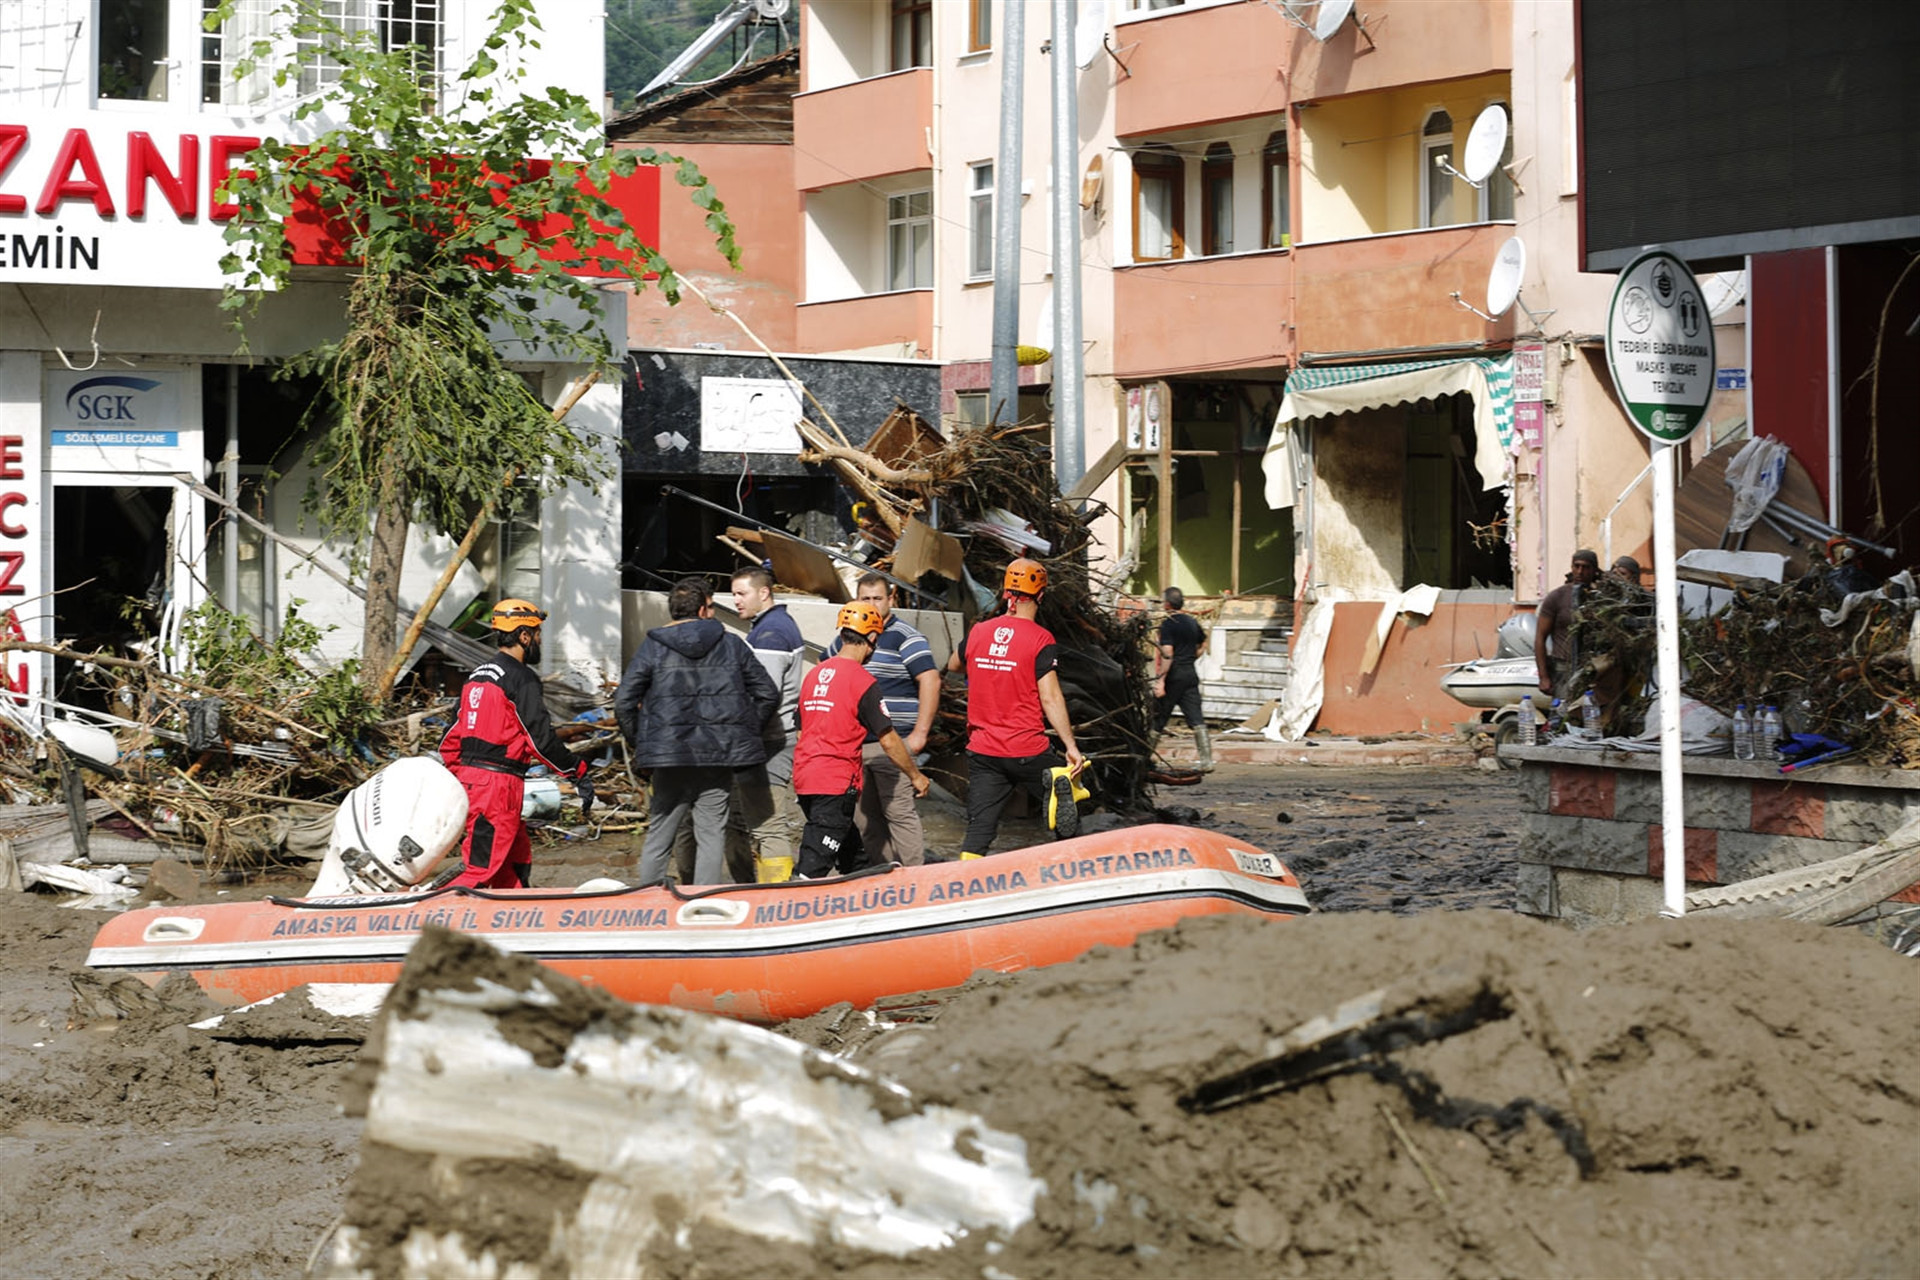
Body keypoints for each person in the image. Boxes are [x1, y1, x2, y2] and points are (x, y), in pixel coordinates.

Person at [616, 577, 777, 887]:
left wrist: (643, 744)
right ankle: (700, 904)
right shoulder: (730, 643)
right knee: (711, 833)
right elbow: (767, 693)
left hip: (668, 758)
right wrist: (741, 734)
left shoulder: (653, 646)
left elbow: (624, 701)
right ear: (704, 608)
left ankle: (644, 905)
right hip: (716, 757)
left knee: (660, 834)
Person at [439, 599, 592, 889]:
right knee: (479, 870)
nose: (538, 642)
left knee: (515, 863)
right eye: (537, 635)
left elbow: (449, 739)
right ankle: (430, 925)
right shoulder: (521, 678)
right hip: (498, 786)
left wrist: (469, 778)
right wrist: (577, 771)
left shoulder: (477, 676)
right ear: (524, 636)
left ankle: (512, 918)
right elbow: (541, 741)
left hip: (478, 781)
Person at [947, 558, 1087, 859]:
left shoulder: (980, 631)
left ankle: (965, 885)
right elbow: (1050, 697)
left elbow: (953, 665)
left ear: (1006, 592)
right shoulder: (1040, 639)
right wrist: (1070, 745)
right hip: (1027, 749)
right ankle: (1077, 866)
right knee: (1066, 816)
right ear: (1041, 595)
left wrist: (986, 661)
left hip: (983, 751)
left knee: (980, 828)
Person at [793, 602, 931, 879]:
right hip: (834, 784)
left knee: (853, 857)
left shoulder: (814, 675)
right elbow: (889, 741)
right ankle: (781, 912)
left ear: (842, 634)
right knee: (814, 864)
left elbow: (800, 729)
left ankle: (862, 899)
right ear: (872, 638)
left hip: (805, 778)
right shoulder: (862, 681)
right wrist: (915, 776)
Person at [824, 572, 940, 866]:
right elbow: (827, 671)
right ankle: (885, 875)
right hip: (855, 746)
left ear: (891, 599)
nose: (873, 604)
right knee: (865, 818)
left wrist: (919, 733)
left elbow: (930, 679)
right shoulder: (847, 638)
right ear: (856, 600)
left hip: (893, 742)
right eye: (866, 599)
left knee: (899, 813)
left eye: (878, 598)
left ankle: (915, 878)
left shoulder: (906, 636)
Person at [729, 566, 805, 881]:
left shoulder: (771, 635)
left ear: (764, 593)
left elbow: (764, 697)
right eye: (733, 594)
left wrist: (739, 740)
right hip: (772, 739)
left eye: (741, 594)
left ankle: (775, 902)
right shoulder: (773, 625)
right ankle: (751, 891)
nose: (735, 601)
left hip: (769, 743)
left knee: (768, 825)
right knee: (740, 820)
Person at [1152, 587, 1212, 772]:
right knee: (1196, 720)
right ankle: (1207, 761)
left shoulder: (1169, 624)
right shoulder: (1192, 622)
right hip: (1190, 674)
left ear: (1167, 604)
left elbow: (1168, 654)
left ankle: (1142, 758)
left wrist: (1161, 681)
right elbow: (1203, 643)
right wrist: (1192, 657)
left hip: (1174, 676)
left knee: (1158, 718)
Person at [1535, 549, 1599, 698]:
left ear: (1594, 570)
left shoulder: (1602, 599)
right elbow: (1540, 638)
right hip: (1562, 669)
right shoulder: (1557, 597)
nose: (1580, 571)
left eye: (1586, 567)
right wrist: (1543, 677)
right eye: (1576, 566)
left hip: (1592, 668)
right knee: (1562, 714)